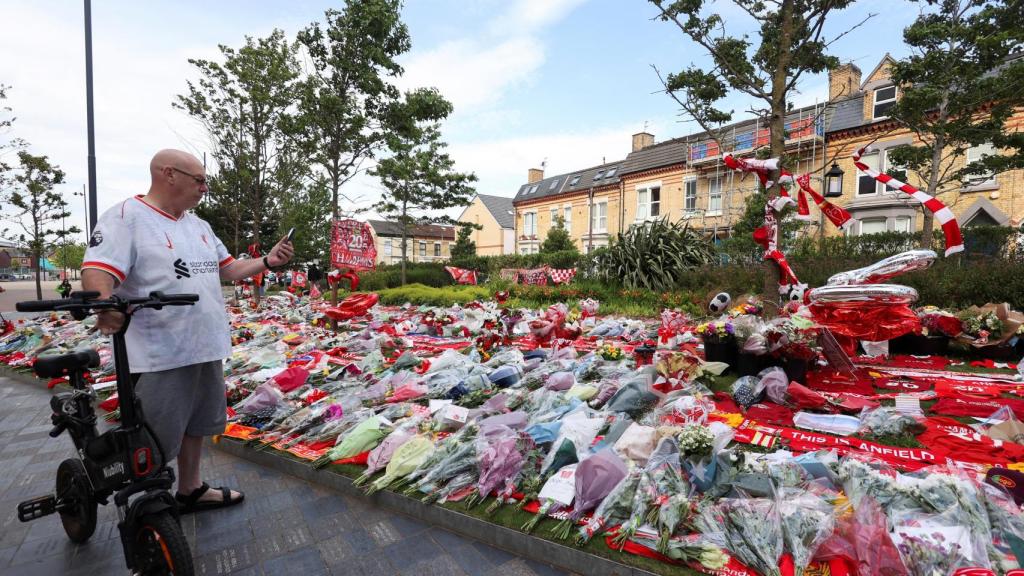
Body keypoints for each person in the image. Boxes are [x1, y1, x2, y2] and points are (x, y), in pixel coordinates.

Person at [81, 149, 293, 514]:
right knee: (156, 431)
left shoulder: (199, 226)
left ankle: (190, 488)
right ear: (169, 174)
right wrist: (104, 305)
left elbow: (227, 270)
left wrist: (267, 261)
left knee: (199, 422)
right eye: (199, 180)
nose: (204, 188)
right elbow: (98, 270)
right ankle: (149, 502)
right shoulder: (125, 218)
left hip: (205, 345)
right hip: (160, 352)